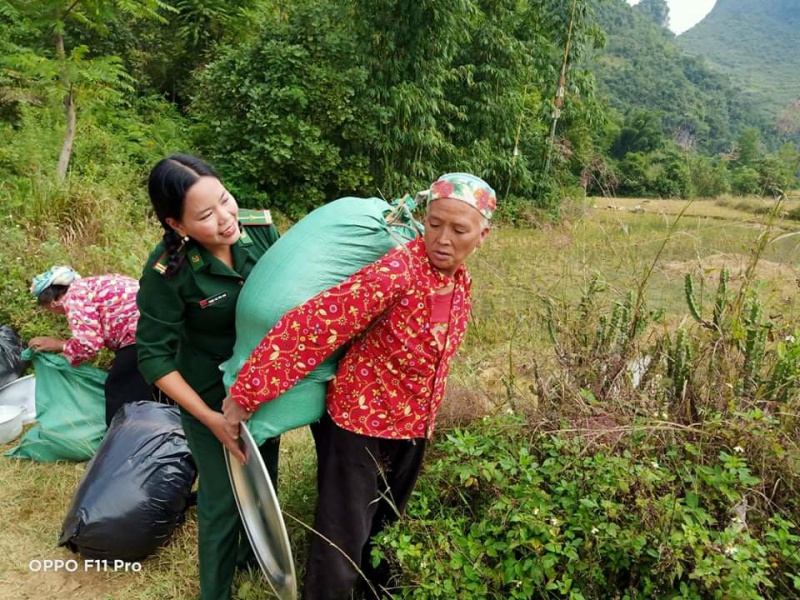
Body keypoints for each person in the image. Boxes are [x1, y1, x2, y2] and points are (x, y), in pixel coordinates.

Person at [223, 172, 496, 599]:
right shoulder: (396, 271)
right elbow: (315, 325)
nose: (442, 238)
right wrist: (246, 392)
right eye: (434, 224)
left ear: (482, 235)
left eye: (459, 230)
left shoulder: (459, 284)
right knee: (342, 539)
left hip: (412, 426)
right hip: (359, 425)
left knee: (386, 529)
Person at [135, 154, 281, 600]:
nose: (225, 219)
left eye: (224, 200)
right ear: (177, 225)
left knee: (263, 481)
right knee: (222, 499)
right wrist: (211, 419)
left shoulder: (259, 230)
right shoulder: (167, 272)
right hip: (209, 396)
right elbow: (153, 358)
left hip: (259, 384)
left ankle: (251, 559)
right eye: (205, 215)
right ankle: (215, 591)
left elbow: (285, 294)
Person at [28, 266, 152, 425]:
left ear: (52, 303)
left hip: (140, 334)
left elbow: (90, 344)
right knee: (159, 383)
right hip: (167, 325)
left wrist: (58, 345)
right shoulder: (91, 285)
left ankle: (122, 441)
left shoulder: (73, 298)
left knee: (120, 391)